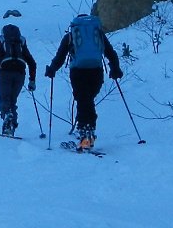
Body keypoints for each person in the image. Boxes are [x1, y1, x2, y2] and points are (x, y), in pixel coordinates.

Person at [45, 12, 122, 149]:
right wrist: (115, 69)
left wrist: (52, 69)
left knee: (83, 100)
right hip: (96, 71)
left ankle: (85, 133)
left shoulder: (70, 36)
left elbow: (60, 57)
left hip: (78, 72)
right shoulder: (98, 35)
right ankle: (89, 131)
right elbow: (111, 53)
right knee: (88, 100)